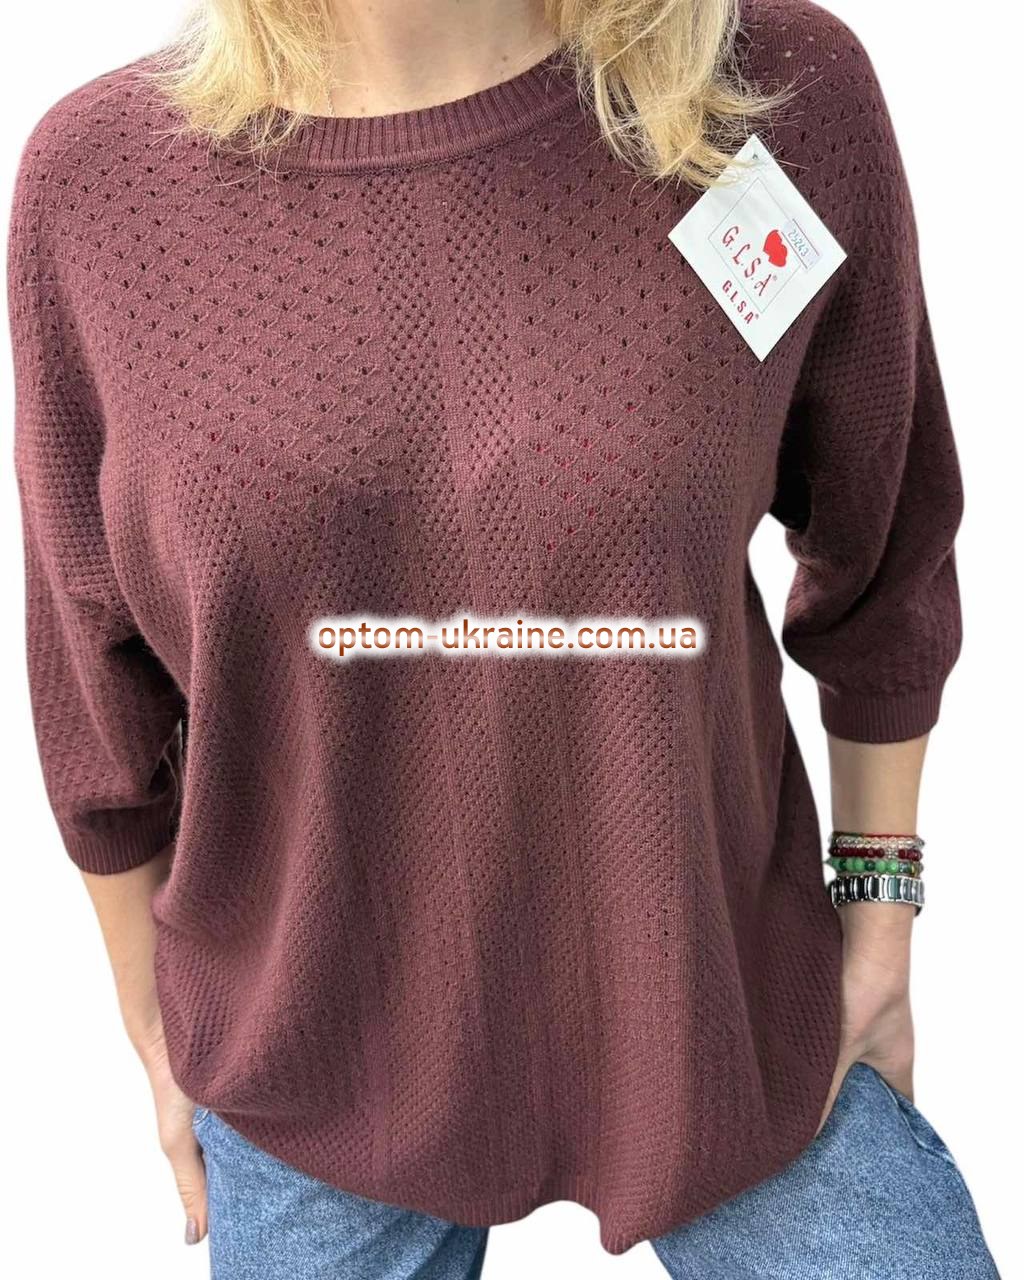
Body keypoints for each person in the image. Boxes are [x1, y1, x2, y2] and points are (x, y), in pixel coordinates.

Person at [8, 0, 1001, 1276]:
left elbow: (888, 539)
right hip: (314, 1056)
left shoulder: (771, 94)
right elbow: (90, 671)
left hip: (728, 1010)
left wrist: (880, 908)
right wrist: (155, 1031)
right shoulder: (101, 185)